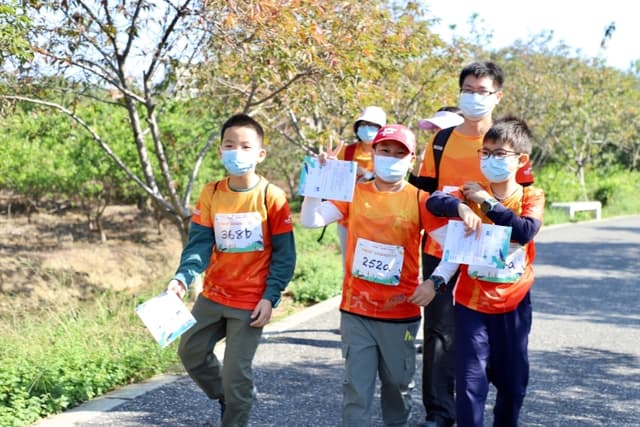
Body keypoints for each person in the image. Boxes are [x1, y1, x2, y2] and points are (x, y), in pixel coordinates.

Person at [300, 124, 437, 427]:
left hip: (400, 312)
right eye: (384, 150)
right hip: (356, 311)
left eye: (399, 153)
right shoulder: (353, 193)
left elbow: (449, 245)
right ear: (373, 153)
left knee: (398, 386)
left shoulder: (421, 199)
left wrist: (434, 282)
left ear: (411, 160)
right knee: (356, 390)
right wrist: (316, 180)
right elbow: (311, 220)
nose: (391, 157)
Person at [165, 113, 296, 427]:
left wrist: (270, 297)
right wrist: (182, 278)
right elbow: (199, 244)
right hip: (213, 295)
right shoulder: (211, 193)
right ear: (220, 151)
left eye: (245, 146)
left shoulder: (272, 197)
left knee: (237, 374)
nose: (237, 151)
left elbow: (284, 255)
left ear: (260, 154)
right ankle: (229, 395)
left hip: (250, 302)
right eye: (230, 145)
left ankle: (235, 407)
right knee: (191, 352)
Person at [423, 115, 545, 426]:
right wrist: (461, 206)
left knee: (513, 384)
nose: (490, 159)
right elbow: (434, 201)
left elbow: (525, 231)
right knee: (469, 384)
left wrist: (487, 203)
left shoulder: (531, 196)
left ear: (521, 160)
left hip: (514, 303)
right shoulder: (471, 191)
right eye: (486, 152)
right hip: (471, 303)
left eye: (499, 154)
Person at [408, 61, 507, 427]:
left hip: (491, 250)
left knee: (488, 333)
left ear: (497, 96)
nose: (474, 97)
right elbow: (424, 195)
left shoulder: (505, 141)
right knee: (438, 332)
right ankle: (439, 412)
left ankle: (485, 407)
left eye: (482, 91)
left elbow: (521, 197)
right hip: (440, 247)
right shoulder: (441, 141)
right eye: (468, 90)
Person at [333, 106, 387, 269]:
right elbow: (334, 181)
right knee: (349, 263)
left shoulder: (386, 152)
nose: (367, 129)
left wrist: (368, 175)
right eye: (363, 124)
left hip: (378, 217)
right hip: (348, 217)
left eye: (372, 125)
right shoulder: (346, 151)